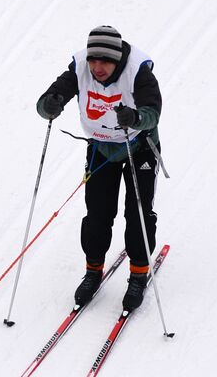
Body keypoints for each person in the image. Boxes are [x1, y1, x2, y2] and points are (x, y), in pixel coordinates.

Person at [37, 25, 163, 311]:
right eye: (94, 59)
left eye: (104, 61)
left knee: (138, 213)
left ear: (117, 60)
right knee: (97, 214)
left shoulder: (138, 70)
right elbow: (45, 103)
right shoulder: (79, 66)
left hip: (139, 147)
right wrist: (50, 105)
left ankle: (138, 274)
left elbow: (152, 113)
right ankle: (93, 271)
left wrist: (135, 117)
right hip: (101, 148)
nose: (97, 67)